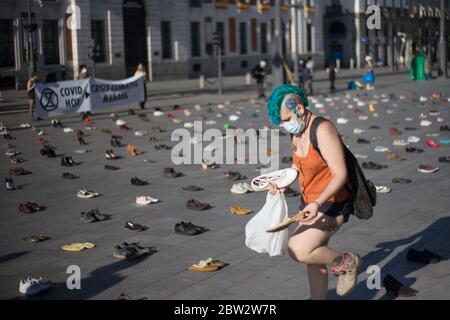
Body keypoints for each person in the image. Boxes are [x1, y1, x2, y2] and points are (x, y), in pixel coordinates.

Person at [266, 84, 361, 300]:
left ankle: (347, 262)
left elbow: (340, 174)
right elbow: (297, 167)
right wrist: (280, 183)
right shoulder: (297, 132)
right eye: (281, 122)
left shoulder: (323, 130)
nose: (284, 125)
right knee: (313, 257)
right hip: (310, 203)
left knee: (298, 249)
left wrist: (317, 203)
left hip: (332, 203)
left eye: (286, 119)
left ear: (299, 108)